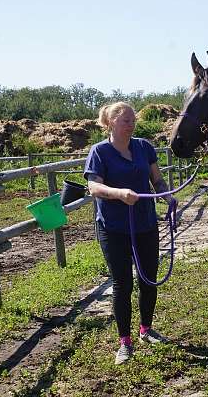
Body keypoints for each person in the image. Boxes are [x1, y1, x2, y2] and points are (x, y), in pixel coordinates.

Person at [84, 102, 177, 365]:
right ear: (111, 123)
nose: (131, 124)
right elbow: (93, 187)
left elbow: (156, 179)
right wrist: (119, 194)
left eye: (132, 120)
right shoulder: (99, 152)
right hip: (114, 228)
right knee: (122, 284)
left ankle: (146, 329)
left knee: (148, 279)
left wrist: (166, 194)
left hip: (145, 223)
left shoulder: (144, 147)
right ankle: (125, 342)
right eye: (125, 120)